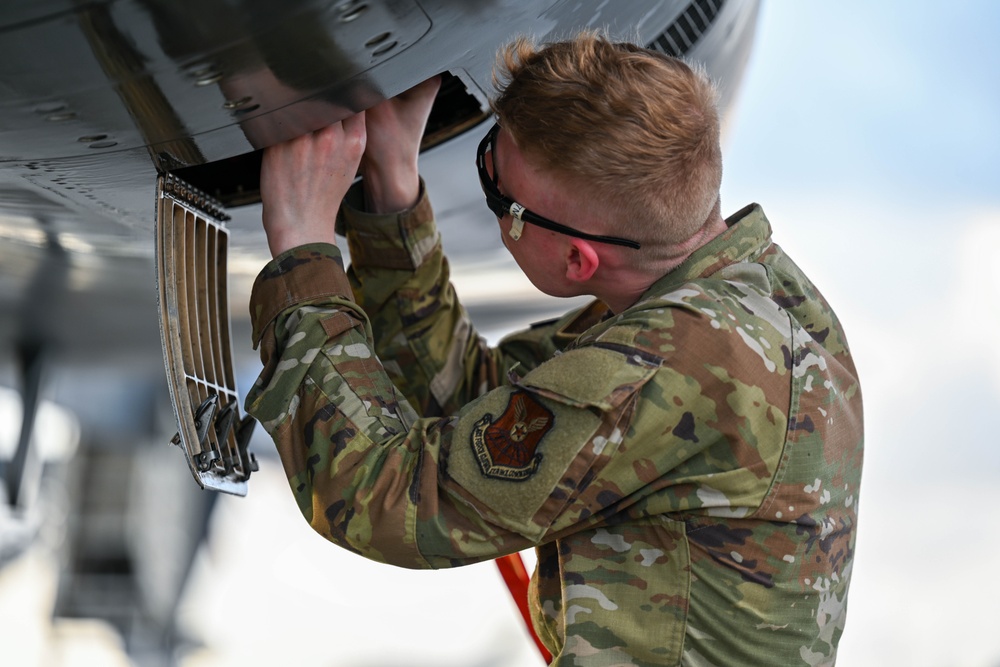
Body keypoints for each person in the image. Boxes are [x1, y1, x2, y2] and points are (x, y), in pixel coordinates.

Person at [246, 33, 864, 666]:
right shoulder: (751, 300)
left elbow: (383, 496)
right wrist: (392, 184)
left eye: (497, 193)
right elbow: (482, 405)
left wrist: (302, 248)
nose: (485, 183)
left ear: (577, 258)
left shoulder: (663, 365)